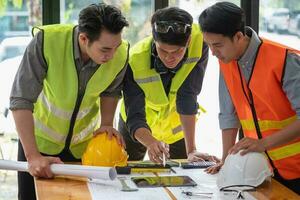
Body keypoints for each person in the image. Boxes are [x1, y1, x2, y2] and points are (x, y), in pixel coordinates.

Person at [10, 3, 129, 200]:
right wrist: (32, 156)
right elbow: (20, 99)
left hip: (82, 149)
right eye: (106, 49)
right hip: (38, 145)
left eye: (116, 47)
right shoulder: (47, 42)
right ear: (83, 38)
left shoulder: (119, 53)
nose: (113, 55)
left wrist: (107, 123)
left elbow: (111, 89)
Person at [198, 2, 300, 194]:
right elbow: (228, 114)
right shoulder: (226, 62)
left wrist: (263, 144)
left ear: (238, 36)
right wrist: (226, 161)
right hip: (263, 171)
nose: (213, 53)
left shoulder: (285, 59)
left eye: (218, 45)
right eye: (209, 45)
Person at [119, 7, 218, 164]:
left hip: (177, 127)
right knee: (125, 170)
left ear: (189, 41)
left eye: (177, 51)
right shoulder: (135, 60)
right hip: (138, 127)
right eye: (163, 50)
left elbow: (188, 95)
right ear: (154, 39)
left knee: (182, 176)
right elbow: (135, 115)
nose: (169, 58)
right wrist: (151, 142)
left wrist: (191, 150)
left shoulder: (199, 42)